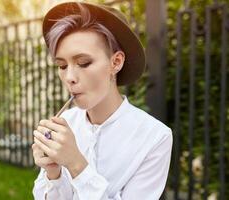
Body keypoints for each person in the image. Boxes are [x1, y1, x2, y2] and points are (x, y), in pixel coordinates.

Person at [32, 2, 173, 199]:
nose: (70, 76)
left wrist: (76, 164)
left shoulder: (155, 138)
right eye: (62, 65)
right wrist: (53, 172)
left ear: (116, 62)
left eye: (83, 63)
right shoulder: (67, 124)